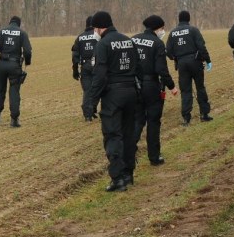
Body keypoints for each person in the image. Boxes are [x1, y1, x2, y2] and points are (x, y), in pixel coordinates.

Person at [84, 11, 143, 192]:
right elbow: (138, 68)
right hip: (131, 92)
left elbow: (100, 75)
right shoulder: (128, 40)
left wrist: (91, 101)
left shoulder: (103, 44)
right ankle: (128, 174)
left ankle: (117, 178)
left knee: (112, 135)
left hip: (113, 95)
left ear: (99, 27)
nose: (94, 31)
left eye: (95, 28)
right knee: (128, 134)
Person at [132, 14, 177, 167]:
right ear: (157, 28)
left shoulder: (132, 39)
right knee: (153, 122)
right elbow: (161, 69)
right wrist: (171, 86)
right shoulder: (157, 43)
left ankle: (129, 152)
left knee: (137, 120)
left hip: (134, 85)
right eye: (162, 28)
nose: (163, 31)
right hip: (151, 85)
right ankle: (154, 156)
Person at [165, 10, 212, 124]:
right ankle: (204, 114)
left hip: (182, 64)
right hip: (195, 62)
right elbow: (201, 46)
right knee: (200, 88)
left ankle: (186, 118)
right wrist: (208, 60)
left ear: (179, 19)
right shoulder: (193, 30)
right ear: (189, 19)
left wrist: (175, 58)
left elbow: (168, 51)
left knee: (186, 90)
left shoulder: (173, 33)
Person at [0, 16, 32, 127]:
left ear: (10, 23)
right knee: (14, 91)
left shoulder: (1, 32)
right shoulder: (22, 33)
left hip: (1, 64)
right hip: (14, 65)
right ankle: (14, 120)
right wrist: (27, 63)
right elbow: (27, 51)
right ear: (19, 24)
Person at [71, 15, 100, 121]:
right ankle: (92, 109)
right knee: (99, 88)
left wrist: (75, 71)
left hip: (85, 66)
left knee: (87, 90)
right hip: (98, 65)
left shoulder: (80, 37)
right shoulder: (99, 36)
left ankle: (87, 114)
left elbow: (75, 56)